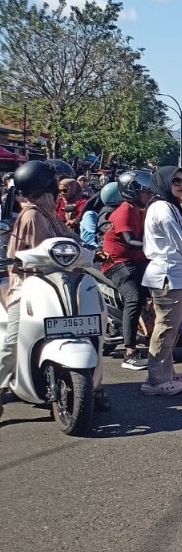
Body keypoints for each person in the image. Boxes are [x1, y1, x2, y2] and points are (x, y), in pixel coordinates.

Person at [0, 162, 88, 418]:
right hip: (29, 287)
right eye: (53, 186)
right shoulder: (31, 216)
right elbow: (41, 255)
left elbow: (69, 243)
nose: (58, 191)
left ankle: (93, 386)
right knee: (12, 342)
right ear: (43, 187)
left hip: (60, 284)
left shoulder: (47, 212)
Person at [141, 166, 182, 397]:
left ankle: (166, 372)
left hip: (176, 274)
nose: (181, 184)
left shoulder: (171, 205)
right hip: (167, 274)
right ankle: (156, 380)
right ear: (164, 183)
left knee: (171, 327)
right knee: (166, 327)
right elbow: (180, 240)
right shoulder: (162, 207)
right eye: (175, 180)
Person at [103, 172, 154, 372]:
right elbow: (129, 240)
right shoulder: (124, 210)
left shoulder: (141, 209)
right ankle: (130, 352)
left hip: (138, 259)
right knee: (134, 298)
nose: (149, 195)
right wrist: (157, 245)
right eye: (145, 192)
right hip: (118, 262)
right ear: (132, 191)